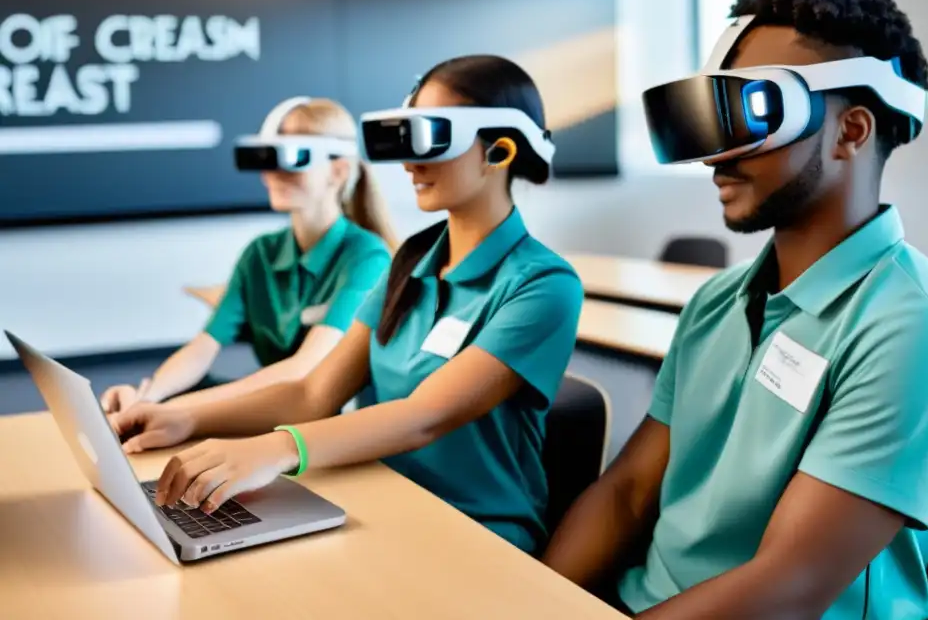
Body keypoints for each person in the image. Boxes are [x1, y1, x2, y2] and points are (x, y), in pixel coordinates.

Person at [542, 0, 928, 619]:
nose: (716, 158)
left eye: (754, 112)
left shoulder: (917, 330)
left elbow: (790, 585)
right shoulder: (718, 301)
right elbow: (630, 491)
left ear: (852, 132)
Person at [109, 55, 584, 555]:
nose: (409, 163)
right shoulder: (412, 260)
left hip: (477, 530)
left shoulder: (545, 284)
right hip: (371, 501)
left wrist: (276, 448)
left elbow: (424, 415)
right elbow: (314, 393)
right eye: (403, 140)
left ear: (499, 150)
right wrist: (186, 418)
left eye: (430, 138)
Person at [101, 97, 396, 414]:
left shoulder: (367, 257)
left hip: (334, 418)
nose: (273, 174)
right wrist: (146, 397)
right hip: (273, 405)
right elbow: (202, 349)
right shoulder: (261, 253)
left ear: (337, 171)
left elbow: (305, 369)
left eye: (291, 157)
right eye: (266, 158)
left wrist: (178, 410)